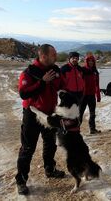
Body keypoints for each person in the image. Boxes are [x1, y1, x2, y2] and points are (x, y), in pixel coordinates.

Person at [15, 44, 65, 195]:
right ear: (43, 56)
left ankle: (50, 169)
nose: (56, 57)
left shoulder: (55, 69)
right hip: (33, 114)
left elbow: (61, 86)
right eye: (53, 54)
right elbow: (23, 94)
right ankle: (21, 180)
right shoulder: (29, 73)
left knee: (50, 144)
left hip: (50, 115)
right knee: (28, 148)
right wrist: (42, 82)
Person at [80, 53, 101, 134]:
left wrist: (98, 96)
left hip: (92, 95)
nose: (91, 62)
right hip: (83, 95)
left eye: (92, 61)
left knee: (92, 113)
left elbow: (97, 84)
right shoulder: (82, 70)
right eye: (89, 61)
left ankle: (92, 129)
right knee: (80, 113)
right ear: (86, 62)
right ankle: (76, 130)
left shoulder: (95, 71)